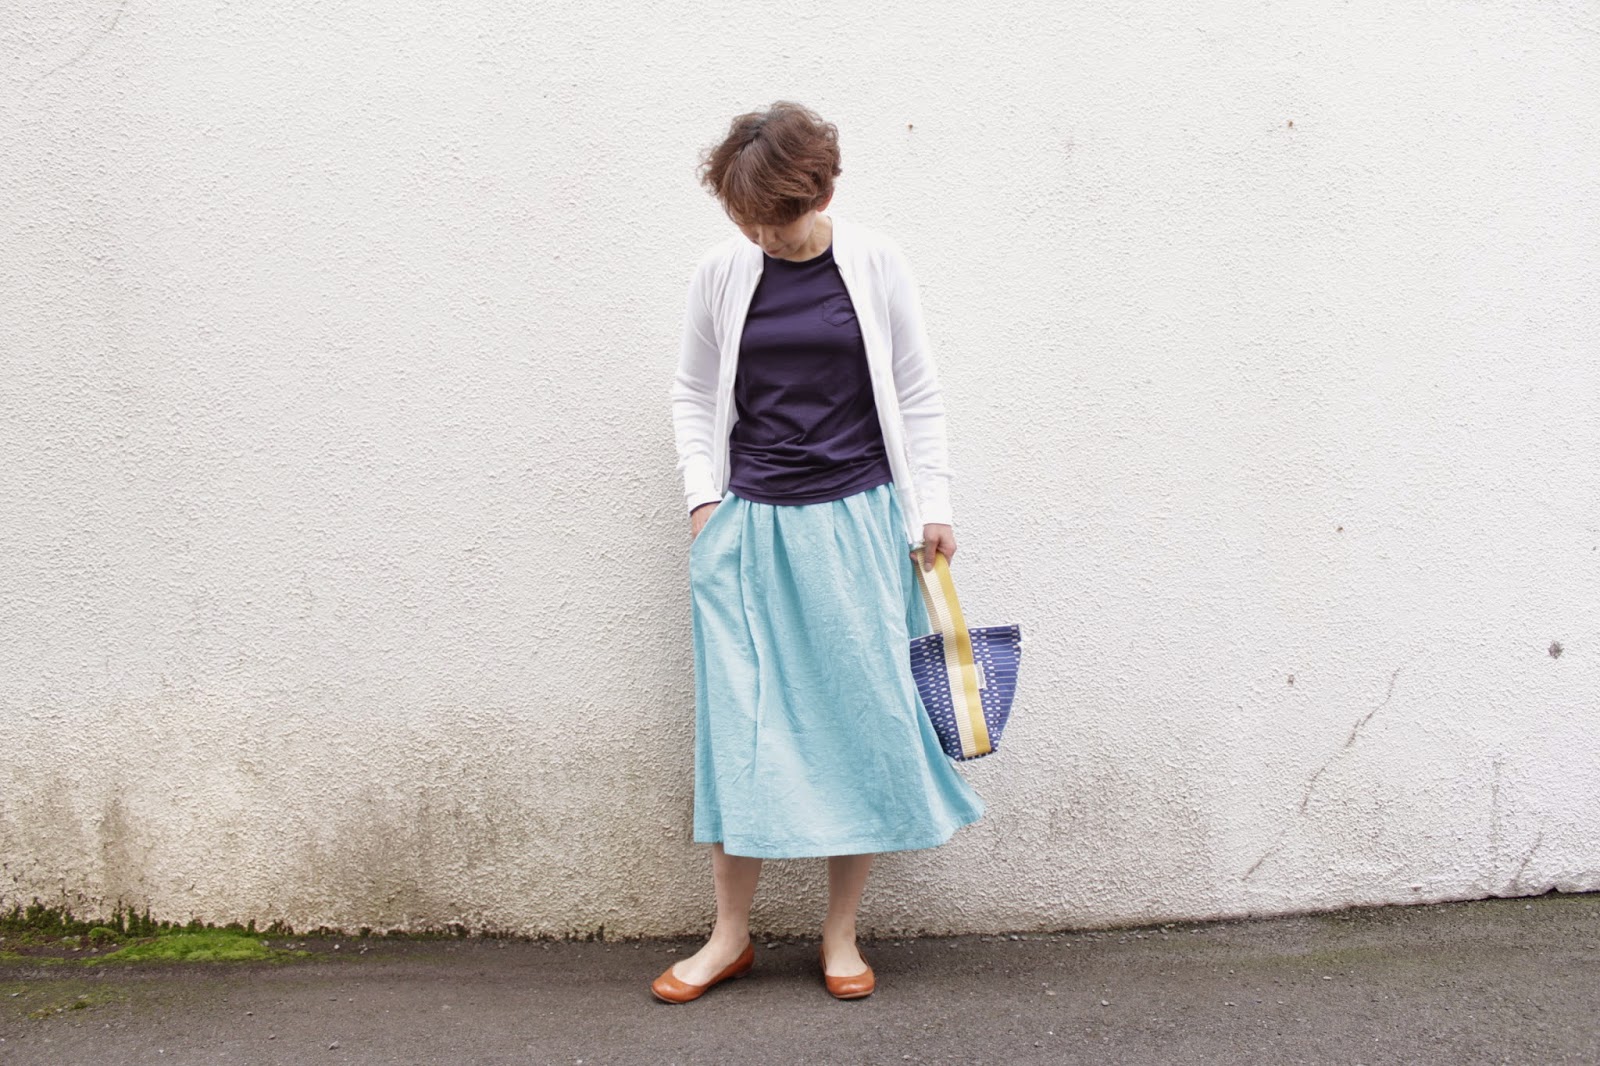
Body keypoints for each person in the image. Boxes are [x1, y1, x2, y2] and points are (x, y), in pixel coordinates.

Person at [653, 102, 984, 1004]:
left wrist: (934, 506)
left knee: (858, 721)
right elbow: (692, 393)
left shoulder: (874, 262)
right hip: (750, 527)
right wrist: (703, 499)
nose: (765, 235)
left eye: (779, 218)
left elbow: (917, 391)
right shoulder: (722, 272)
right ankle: (729, 936)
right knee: (740, 728)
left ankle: (841, 935)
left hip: (857, 523)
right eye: (748, 220)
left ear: (821, 192)